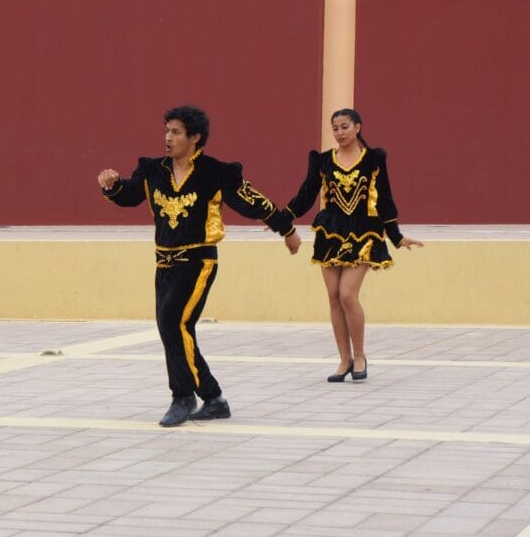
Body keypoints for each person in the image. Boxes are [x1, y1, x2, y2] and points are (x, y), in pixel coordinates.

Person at [98, 105, 300, 426]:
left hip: (197, 261)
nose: (168, 137)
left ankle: (182, 397)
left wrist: (285, 228)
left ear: (195, 137)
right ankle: (214, 398)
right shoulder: (152, 170)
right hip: (163, 263)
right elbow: (130, 194)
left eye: (176, 132)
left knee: (173, 322)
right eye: (167, 130)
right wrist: (112, 185)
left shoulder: (214, 172)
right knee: (174, 328)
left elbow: (250, 201)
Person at [284, 108, 422, 383]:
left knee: (348, 294)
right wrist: (282, 218)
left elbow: (384, 199)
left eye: (345, 126)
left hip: (364, 230)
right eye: (335, 128)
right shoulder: (322, 161)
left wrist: (395, 236)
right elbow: (306, 195)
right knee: (333, 296)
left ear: (357, 127)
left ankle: (360, 355)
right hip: (330, 232)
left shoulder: (374, 159)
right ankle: (344, 359)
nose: (340, 133)